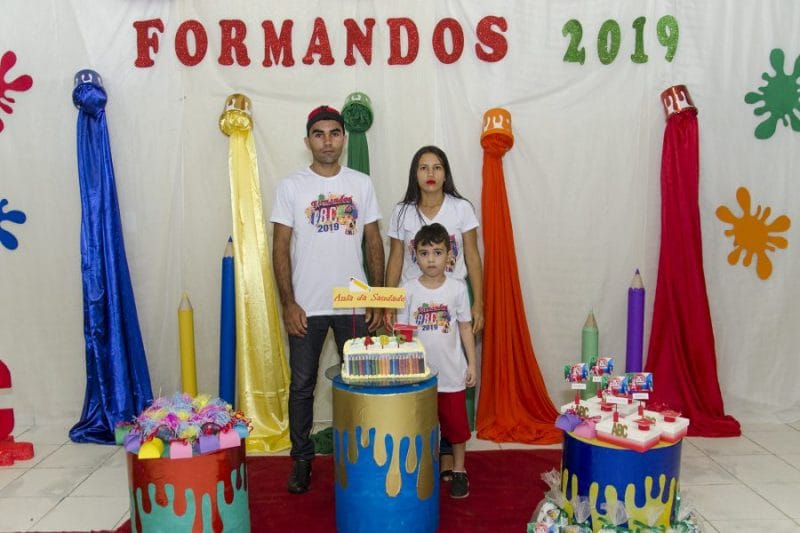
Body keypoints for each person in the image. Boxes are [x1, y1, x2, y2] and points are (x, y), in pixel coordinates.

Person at [271, 105, 384, 494]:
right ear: (308, 141)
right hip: (307, 305)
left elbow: (374, 241)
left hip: (353, 302)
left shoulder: (361, 184)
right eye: (319, 134)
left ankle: (364, 457)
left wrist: (376, 297)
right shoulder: (291, 187)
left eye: (334, 133)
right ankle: (302, 460)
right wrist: (288, 303)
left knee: (361, 383)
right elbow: (280, 247)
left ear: (344, 139)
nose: (327, 141)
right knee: (302, 385)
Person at [384, 145, 483, 479]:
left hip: (450, 303)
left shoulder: (461, 208)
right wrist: (389, 301)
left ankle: (452, 459)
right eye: (423, 167)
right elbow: (396, 258)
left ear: (445, 173)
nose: (430, 174)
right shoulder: (402, 212)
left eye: (437, 167)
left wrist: (479, 301)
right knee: (422, 391)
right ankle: (430, 458)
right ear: (415, 173)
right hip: (413, 306)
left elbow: (473, 256)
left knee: (450, 382)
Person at [398, 223, 477, 498]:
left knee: (456, 429)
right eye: (424, 253)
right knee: (419, 427)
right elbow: (403, 333)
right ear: (415, 255)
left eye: (437, 252)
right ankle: (421, 469)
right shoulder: (407, 289)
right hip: (419, 376)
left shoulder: (457, 288)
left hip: (451, 374)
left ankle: (459, 470)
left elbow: (465, 327)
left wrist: (472, 363)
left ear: (449, 255)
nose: (431, 259)